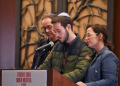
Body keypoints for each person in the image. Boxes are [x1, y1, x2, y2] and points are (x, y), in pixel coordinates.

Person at [37, 12, 94, 83]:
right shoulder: (57, 45)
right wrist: (35, 75)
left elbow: (79, 72)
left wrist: (56, 79)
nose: (57, 35)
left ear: (68, 27)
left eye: (58, 31)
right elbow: (46, 64)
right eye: (55, 31)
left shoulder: (84, 48)